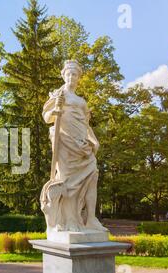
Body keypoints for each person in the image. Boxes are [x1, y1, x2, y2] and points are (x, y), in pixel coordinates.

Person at [41, 60, 107, 233]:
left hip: (82, 146)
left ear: (79, 78)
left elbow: (86, 124)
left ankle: (91, 219)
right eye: (68, 74)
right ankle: (69, 220)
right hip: (65, 143)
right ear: (64, 75)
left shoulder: (81, 102)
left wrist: (93, 139)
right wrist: (54, 111)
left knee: (92, 176)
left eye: (75, 74)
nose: (71, 77)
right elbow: (47, 117)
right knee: (68, 182)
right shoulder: (58, 95)